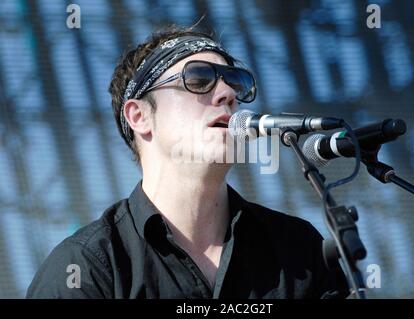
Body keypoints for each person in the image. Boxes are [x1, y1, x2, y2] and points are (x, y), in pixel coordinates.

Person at [26, 24, 349, 299]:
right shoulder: (86, 267)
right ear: (139, 116)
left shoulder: (299, 249)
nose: (227, 94)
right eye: (198, 79)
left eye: (235, 82)